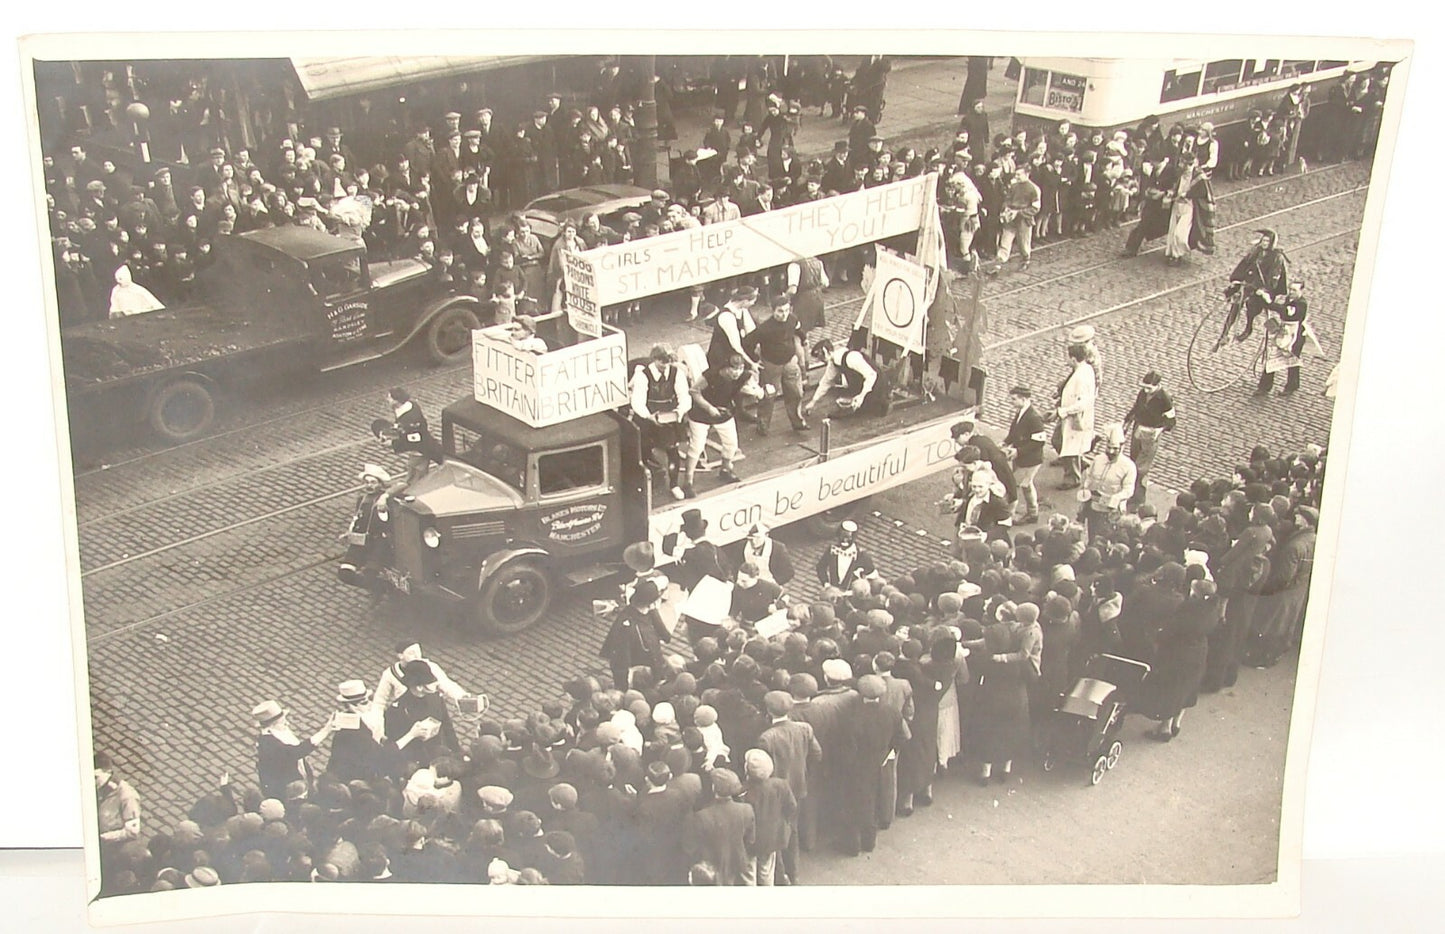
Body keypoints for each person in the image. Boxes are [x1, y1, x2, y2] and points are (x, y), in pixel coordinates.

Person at [1137, 578, 1220, 741]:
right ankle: (1177, 723)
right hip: (1199, 651)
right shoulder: (1212, 610)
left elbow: (1171, 630)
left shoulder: (1188, 610)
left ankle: (1164, 728)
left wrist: (1158, 635)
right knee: (1188, 687)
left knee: (1173, 689)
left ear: (1195, 594)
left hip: (1179, 653)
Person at [682, 354, 756, 496]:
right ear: (726, 367)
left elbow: (746, 386)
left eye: (740, 369)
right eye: (733, 369)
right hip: (701, 413)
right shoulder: (711, 375)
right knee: (697, 446)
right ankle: (688, 481)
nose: (737, 372)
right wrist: (709, 408)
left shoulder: (744, 376)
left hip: (724, 411)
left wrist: (757, 391)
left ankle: (725, 469)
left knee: (731, 444)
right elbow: (694, 391)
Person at [630, 343, 692, 501]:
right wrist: (648, 416)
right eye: (661, 362)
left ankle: (674, 484)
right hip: (648, 418)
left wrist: (679, 411)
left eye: (668, 362)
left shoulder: (676, 373)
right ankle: (643, 482)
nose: (665, 365)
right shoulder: (643, 375)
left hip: (669, 417)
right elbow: (637, 402)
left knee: (673, 451)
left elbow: (684, 396)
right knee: (643, 450)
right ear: (654, 359)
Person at [741, 293, 808, 434]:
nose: (784, 314)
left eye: (786, 310)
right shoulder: (765, 328)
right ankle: (763, 425)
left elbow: (798, 329)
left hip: (790, 362)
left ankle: (798, 422)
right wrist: (754, 359)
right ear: (773, 311)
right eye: (780, 311)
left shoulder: (792, 319)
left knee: (796, 393)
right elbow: (747, 342)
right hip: (771, 366)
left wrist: (803, 339)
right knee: (768, 396)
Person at [252, 700, 337, 800]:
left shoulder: (277, 733)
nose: (287, 723)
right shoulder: (269, 744)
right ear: (271, 726)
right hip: (286, 791)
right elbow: (297, 752)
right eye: (283, 722)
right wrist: (326, 730)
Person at [599, 579, 671, 691]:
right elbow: (620, 662)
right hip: (640, 679)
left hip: (655, 670)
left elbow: (666, 636)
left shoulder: (650, 613)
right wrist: (623, 688)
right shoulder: (625, 626)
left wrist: (654, 612)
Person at [1122, 371, 1178, 509]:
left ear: (1158, 386)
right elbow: (1136, 408)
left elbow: (1171, 420)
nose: (1146, 391)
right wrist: (1126, 421)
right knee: (1133, 460)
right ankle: (1132, 492)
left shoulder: (1164, 399)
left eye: (1149, 388)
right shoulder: (1142, 393)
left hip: (1151, 432)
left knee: (1141, 468)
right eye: (1144, 387)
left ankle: (1138, 499)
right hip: (1138, 428)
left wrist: (1160, 430)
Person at [804, 338, 894, 419]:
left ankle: (882, 402)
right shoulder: (834, 362)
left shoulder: (851, 358)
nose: (821, 361)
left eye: (821, 357)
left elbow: (871, 375)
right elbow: (826, 382)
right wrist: (813, 402)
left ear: (826, 352)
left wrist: (861, 396)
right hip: (864, 387)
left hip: (877, 386)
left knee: (866, 412)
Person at [1228, 228, 1290, 343]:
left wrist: (1263, 289)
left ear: (1271, 243)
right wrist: (1236, 279)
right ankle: (1225, 331)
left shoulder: (1277, 257)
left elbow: (1274, 276)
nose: (1264, 243)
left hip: (1265, 288)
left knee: (1252, 304)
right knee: (1236, 301)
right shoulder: (1256, 251)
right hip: (1251, 283)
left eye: (1267, 241)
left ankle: (1248, 328)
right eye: (1263, 240)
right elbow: (1244, 264)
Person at [1079, 424, 1137, 543]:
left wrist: (1116, 498)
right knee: (1092, 533)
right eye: (1109, 447)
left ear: (1122, 447)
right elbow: (1089, 476)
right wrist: (1085, 487)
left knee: (1105, 539)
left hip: (1111, 509)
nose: (1111, 451)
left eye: (1115, 449)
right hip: (1093, 504)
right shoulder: (1098, 459)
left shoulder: (1128, 466)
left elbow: (1128, 490)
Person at [338, 464, 394, 586]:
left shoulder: (386, 500)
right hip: (361, 541)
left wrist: (385, 497)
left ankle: (379, 587)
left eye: (373, 482)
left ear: (380, 484)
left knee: (370, 574)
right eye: (367, 482)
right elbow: (357, 519)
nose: (369, 486)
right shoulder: (362, 499)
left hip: (379, 543)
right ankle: (378, 586)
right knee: (344, 573)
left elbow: (403, 484)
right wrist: (348, 534)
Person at [1256, 280, 1313, 396]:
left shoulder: (1301, 303)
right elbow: (1278, 309)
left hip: (1295, 336)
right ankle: (1265, 386)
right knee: (1273, 357)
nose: (1291, 292)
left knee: (1292, 361)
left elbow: (1285, 312)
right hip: (1285, 332)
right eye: (1290, 289)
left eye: (1294, 290)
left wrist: (1268, 301)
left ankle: (1291, 386)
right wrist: (1265, 299)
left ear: (1301, 291)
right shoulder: (1289, 300)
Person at [1002, 386, 1049, 525]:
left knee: (1019, 485)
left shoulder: (1033, 418)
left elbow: (1039, 442)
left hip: (1030, 459)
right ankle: (1031, 512)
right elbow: (1014, 432)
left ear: (1023, 399)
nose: (1012, 402)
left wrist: (1018, 451)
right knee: (1023, 484)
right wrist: (1005, 442)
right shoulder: (1022, 412)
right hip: (1022, 457)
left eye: (1014, 399)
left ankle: (1021, 514)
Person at [1055, 343, 1098, 489]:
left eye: (1067, 357)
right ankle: (1080, 462)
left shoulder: (1081, 377)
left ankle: (1073, 477)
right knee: (1060, 441)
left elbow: (1081, 403)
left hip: (1074, 417)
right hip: (1070, 415)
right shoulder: (1085, 369)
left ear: (1073, 359)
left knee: (1069, 446)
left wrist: (1063, 411)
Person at [990, 163, 1041, 273]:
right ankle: (998, 265)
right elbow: (1008, 199)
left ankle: (1025, 260)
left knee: (1023, 243)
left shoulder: (1034, 189)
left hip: (1024, 220)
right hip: (1011, 218)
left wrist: (1019, 212)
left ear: (1027, 174)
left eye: (1019, 174)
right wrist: (1007, 208)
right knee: (1005, 241)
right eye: (1016, 174)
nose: (1016, 176)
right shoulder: (1014, 186)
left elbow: (1035, 208)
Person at [385, 387, 442, 484]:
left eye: (389, 398)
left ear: (396, 400)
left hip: (419, 450)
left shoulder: (411, 418)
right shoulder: (407, 406)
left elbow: (414, 441)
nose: (387, 399)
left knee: (416, 478)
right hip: (420, 446)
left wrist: (393, 443)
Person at [723, 521, 796, 588]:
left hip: (768, 586)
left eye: (757, 538)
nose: (754, 542)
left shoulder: (777, 549)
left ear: (766, 535)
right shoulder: (742, 546)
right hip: (748, 585)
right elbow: (736, 565)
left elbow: (789, 572)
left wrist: (775, 583)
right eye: (751, 539)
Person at [815, 519, 877, 587]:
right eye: (842, 537)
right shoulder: (832, 551)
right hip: (834, 593)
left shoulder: (862, 556)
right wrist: (826, 583)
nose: (845, 540)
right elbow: (820, 567)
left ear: (853, 538)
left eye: (848, 538)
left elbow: (873, 576)